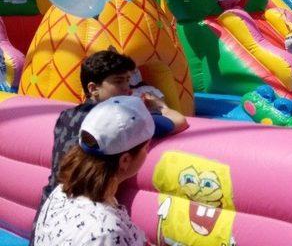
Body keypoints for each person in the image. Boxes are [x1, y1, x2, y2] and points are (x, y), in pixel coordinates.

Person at [30, 50, 188, 244]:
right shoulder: (121, 124)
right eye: (119, 81)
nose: (128, 89)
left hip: (50, 218)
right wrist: (159, 106)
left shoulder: (66, 116)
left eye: (128, 81)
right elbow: (179, 120)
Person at [33, 96, 154, 245]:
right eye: (146, 148)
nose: (147, 153)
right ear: (125, 160)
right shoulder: (104, 232)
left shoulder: (62, 192)